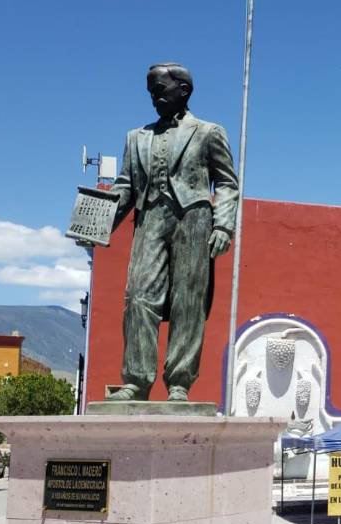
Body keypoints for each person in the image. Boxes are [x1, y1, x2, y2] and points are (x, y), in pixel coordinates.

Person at [105, 62, 240, 402]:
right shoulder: (136, 138)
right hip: (149, 219)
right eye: (150, 92)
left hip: (194, 221)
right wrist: (98, 223)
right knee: (138, 296)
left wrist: (223, 224)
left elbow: (227, 183)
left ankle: (179, 382)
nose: (154, 97)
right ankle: (137, 381)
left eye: (160, 90)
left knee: (188, 300)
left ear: (184, 90)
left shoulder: (209, 132)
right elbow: (125, 187)